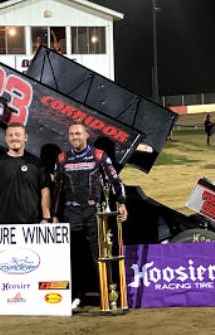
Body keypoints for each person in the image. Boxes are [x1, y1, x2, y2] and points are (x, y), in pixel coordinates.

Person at [52, 121, 128, 309]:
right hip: (71, 214)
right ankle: (76, 297)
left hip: (95, 213)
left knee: (100, 255)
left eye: (78, 133)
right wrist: (54, 215)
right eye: (71, 134)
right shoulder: (62, 159)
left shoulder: (99, 156)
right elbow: (57, 189)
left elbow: (115, 180)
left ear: (87, 135)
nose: (75, 137)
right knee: (73, 257)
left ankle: (107, 295)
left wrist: (122, 202)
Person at [0, 122, 51, 225]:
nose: (14, 138)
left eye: (18, 134)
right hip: (3, 224)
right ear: (6, 139)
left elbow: (45, 191)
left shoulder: (37, 164)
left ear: (25, 137)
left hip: (31, 224)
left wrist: (46, 218)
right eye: (10, 135)